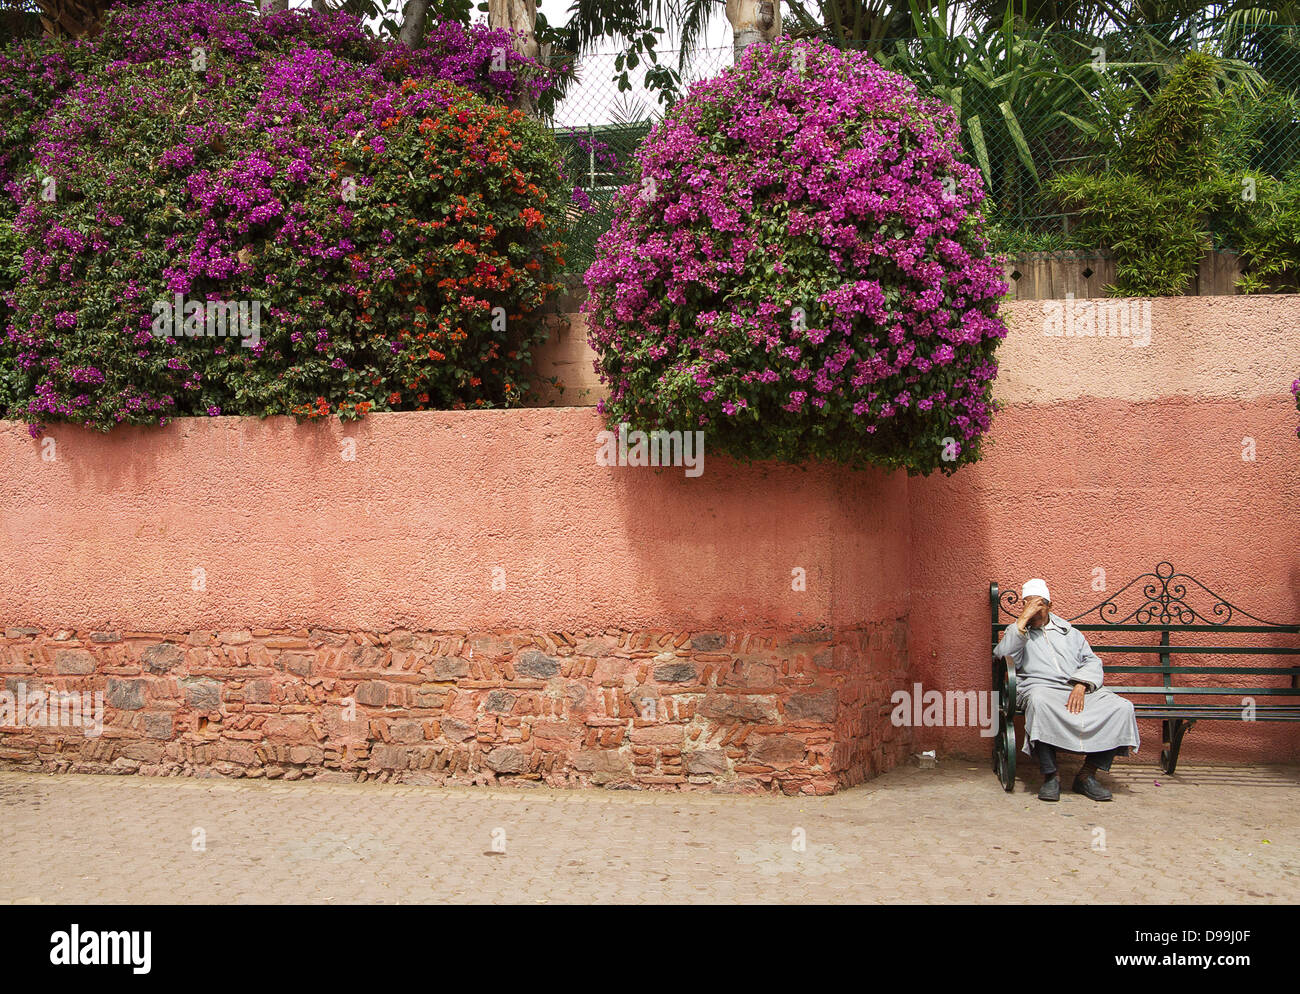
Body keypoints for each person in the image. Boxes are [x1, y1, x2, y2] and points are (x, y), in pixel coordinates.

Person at [994, 578, 1140, 801]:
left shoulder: (1070, 633)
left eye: (1039, 604)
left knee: (1122, 708)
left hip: (1077, 687)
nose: (1035, 609)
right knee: (1040, 703)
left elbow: (1091, 661)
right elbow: (1003, 656)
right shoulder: (1018, 632)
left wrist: (1081, 684)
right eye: (1028, 604)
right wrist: (1022, 621)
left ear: (1050, 605)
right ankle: (1051, 776)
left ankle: (1087, 776)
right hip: (1040, 688)